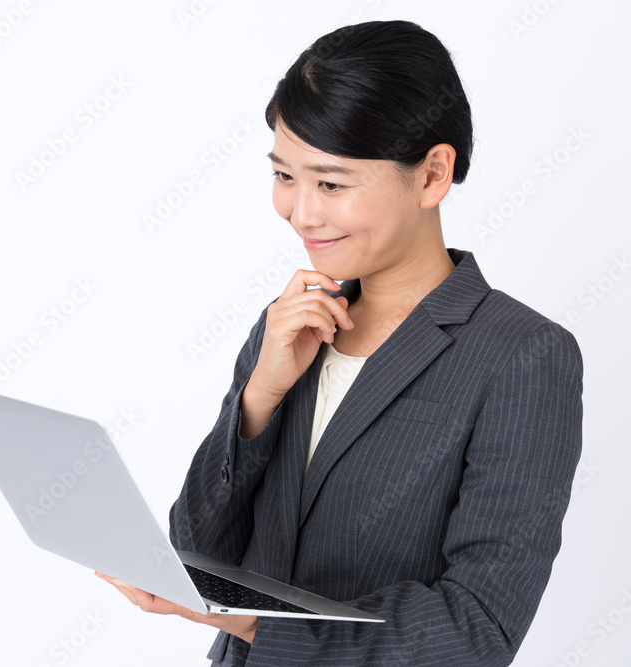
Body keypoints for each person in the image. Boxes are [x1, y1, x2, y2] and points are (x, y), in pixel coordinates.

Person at [95, 19, 583, 666]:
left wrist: (250, 622)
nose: (301, 212)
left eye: (330, 183)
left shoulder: (522, 356)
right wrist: (259, 397)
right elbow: (193, 550)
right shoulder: (290, 323)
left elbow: (475, 630)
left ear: (434, 174)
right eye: (283, 176)